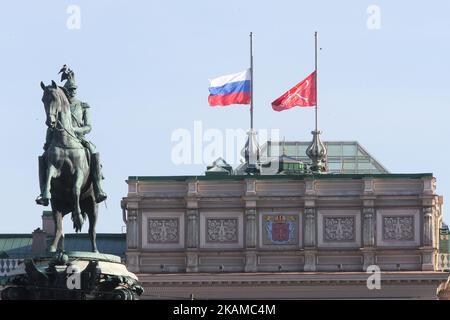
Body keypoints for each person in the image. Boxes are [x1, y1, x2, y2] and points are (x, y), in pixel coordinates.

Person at [36, 66, 107, 205]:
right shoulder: (60, 104)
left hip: (78, 139)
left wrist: (75, 130)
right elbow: (53, 119)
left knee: (94, 153)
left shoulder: (83, 105)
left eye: (74, 89)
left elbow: (88, 126)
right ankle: (43, 190)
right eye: (70, 89)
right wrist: (49, 136)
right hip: (58, 137)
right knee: (43, 157)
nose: (72, 92)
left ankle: (98, 188)